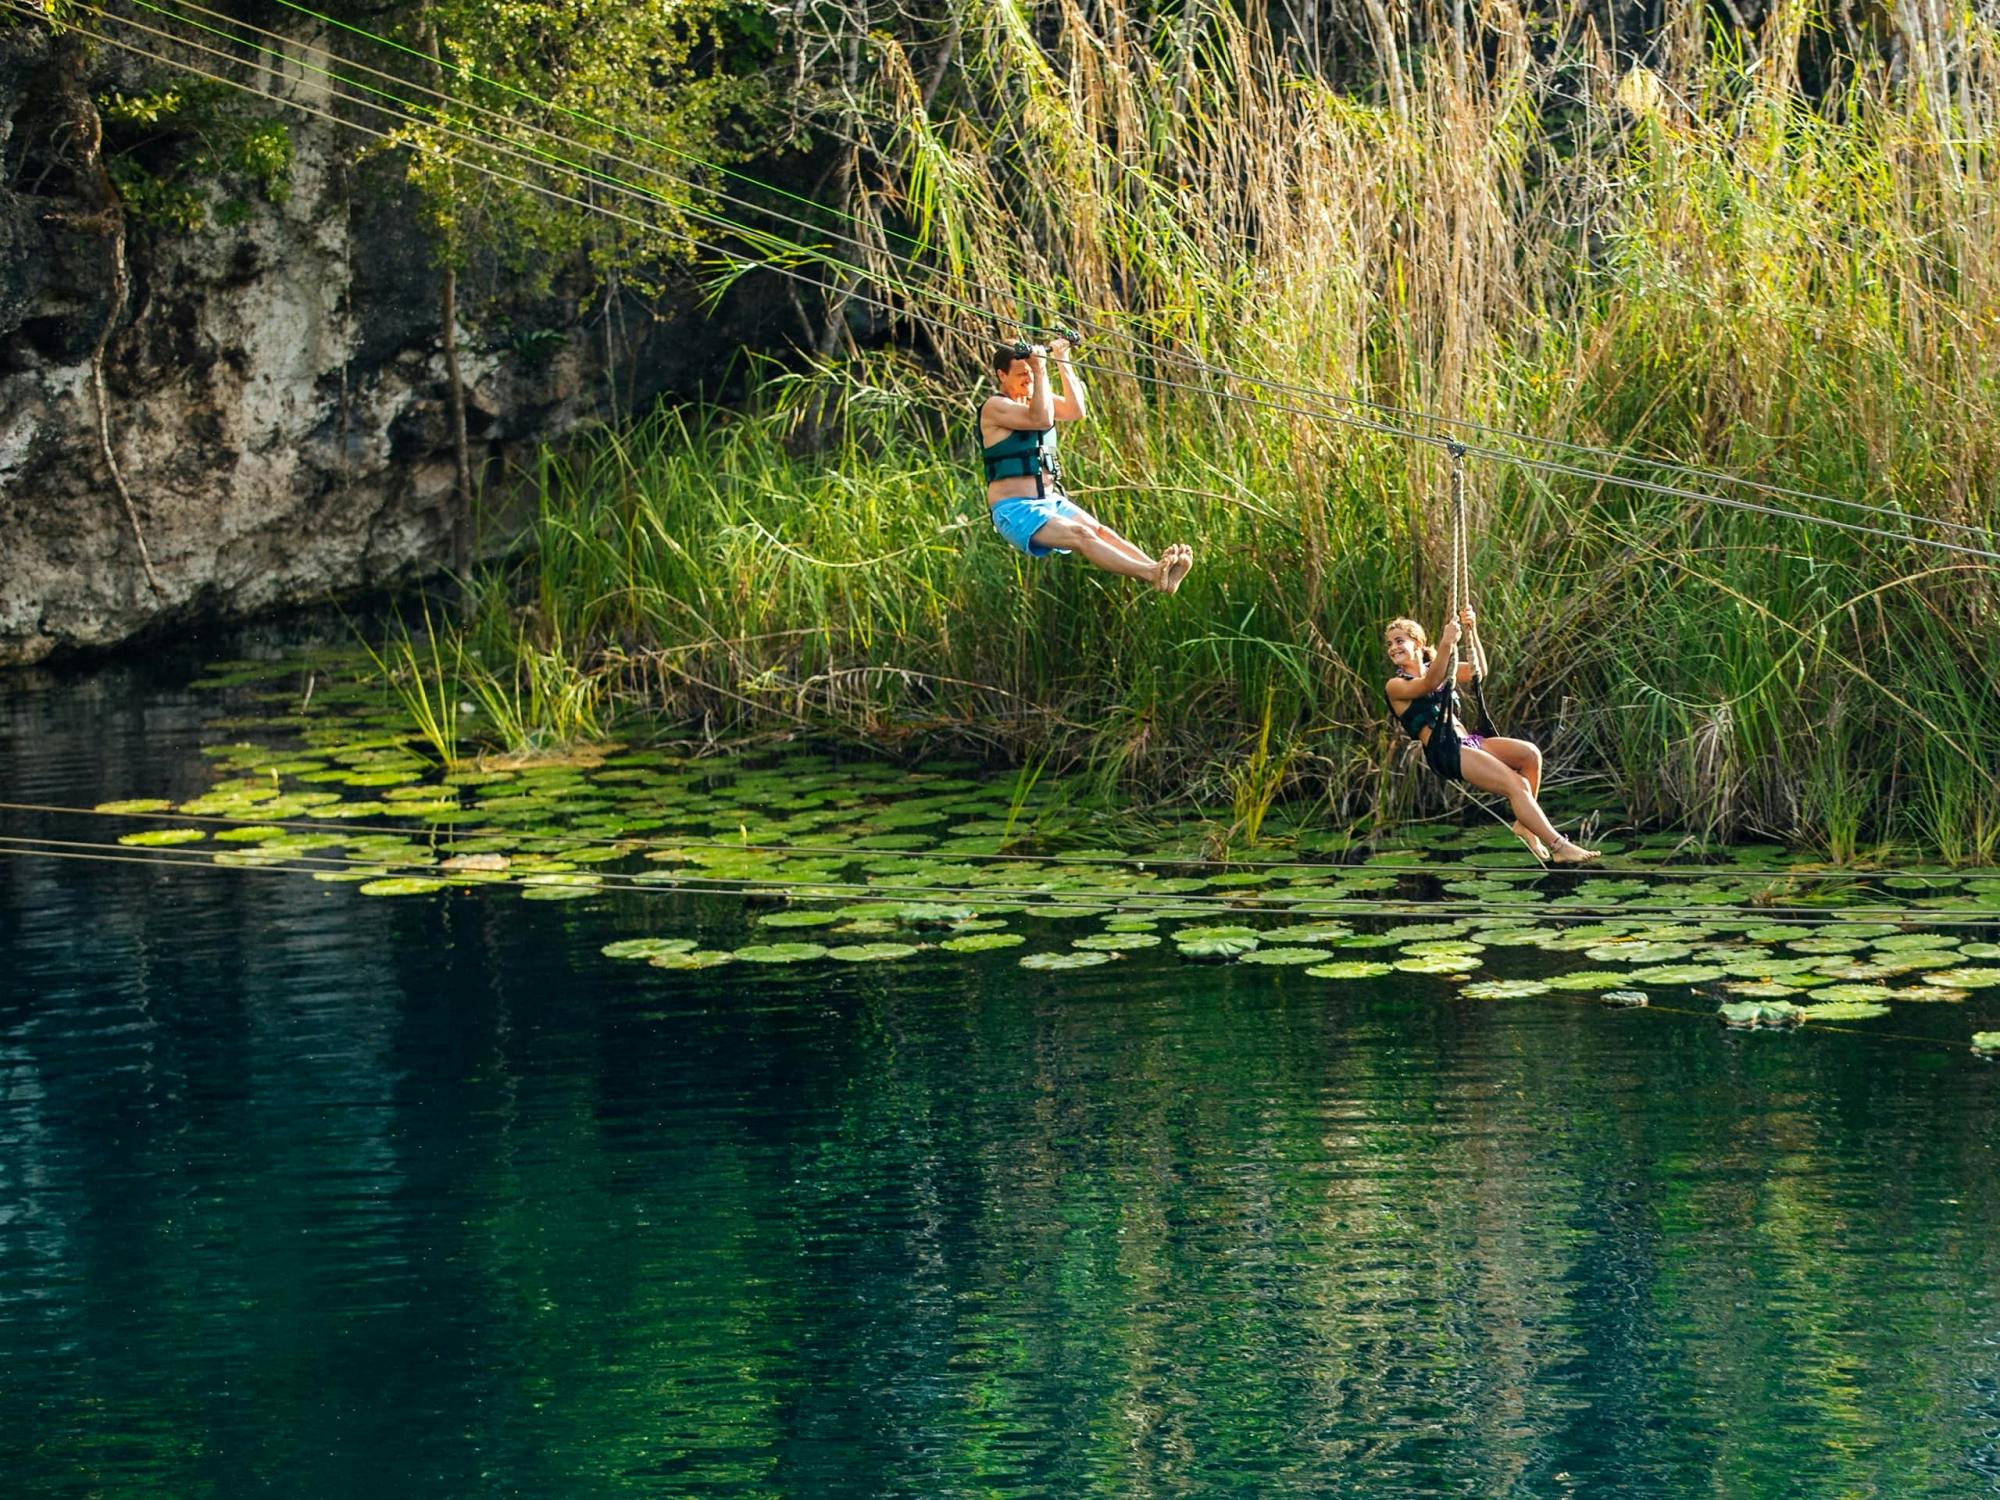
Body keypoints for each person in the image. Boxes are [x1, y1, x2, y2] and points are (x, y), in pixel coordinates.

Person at [1384, 607, 1599, 864]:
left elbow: (1478, 671)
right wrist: (1446, 642)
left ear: (1418, 643)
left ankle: (1525, 823)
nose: (1393, 647)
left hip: (1469, 742)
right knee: (1516, 785)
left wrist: (1471, 631)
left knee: (1530, 754)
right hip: (1446, 751)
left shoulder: (1439, 669)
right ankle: (1558, 845)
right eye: (1390, 644)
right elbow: (1428, 684)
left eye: (1399, 641)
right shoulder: (1396, 685)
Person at [978, 337, 1193, 591]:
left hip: (1049, 501)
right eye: (1021, 374)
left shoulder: (1035, 400)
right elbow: (1041, 418)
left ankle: (1161, 573)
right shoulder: (995, 407)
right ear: (1002, 375)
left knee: (1101, 531)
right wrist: (1039, 367)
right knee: (1082, 536)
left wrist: (1062, 359)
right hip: (1015, 510)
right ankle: (1151, 573)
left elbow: (1075, 409)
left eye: (1030, 373)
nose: (1029, 379)